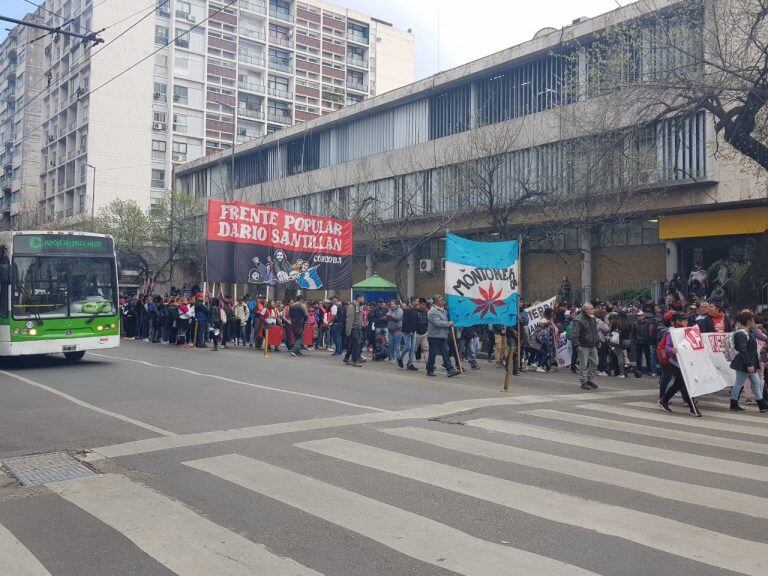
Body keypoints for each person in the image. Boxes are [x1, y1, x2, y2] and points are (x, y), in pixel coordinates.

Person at [658, 312, 701, 416]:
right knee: (684, 383)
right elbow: (668, 346)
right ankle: (692, 408)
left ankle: (664, 401)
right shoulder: (671, 333)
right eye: (684, 320)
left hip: (684, 361)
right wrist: (672, 350)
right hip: (674, 362)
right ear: (678, 321)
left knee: (679, 384)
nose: (687, 322)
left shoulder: (686, 331)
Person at [729, 309, 768, 412]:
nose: (754, 321)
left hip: (749, 363)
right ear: (748, 321)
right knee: (739, 383)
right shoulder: (742, 333)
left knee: (755, 381)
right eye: (752, 319)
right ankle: (733, 403)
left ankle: (761, 404)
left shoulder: (747, 332)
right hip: (745, 363)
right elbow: (743, 350)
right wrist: (749, 364)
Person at [425, 296, 460, 378]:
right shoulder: (433, 311)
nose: (443, 302)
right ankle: (430, 370)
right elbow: (438, 323)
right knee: (433, 354)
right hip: (434, 336)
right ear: (436, 302)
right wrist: (449, 323)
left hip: (443, 335)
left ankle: (450, 370)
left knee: (445, 353)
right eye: (441, 300)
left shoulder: (444, 311)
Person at [571, 303, 599, 390]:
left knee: (595, 362)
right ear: (585, 310)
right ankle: (583, 381)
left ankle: (588, 379)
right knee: (583, 364)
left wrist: (597, 340)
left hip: (592, 344)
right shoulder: (579, 320)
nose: (593, 310)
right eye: (591, 309)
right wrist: (577, 345)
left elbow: (594, 331)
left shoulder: (592, 318)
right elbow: (575, 334)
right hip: (583, 345)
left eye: (592, 308)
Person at [631, 310, 657, 378]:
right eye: (638, 316)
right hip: (639, 341)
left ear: (643, 316)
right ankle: (639, 369)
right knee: (638, 357)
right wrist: (634, 340)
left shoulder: (647, 323)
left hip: (646, 341)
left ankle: (649, 370)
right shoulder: (635, 323)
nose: (638, 317)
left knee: (648, 356)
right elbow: (633, 333)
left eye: (640, 316)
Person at [344, 294, 365, 367]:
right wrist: (348, 331)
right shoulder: (352, 306)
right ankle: (355, 360)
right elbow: (349, 319)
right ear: (358, 298)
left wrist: (362, 325)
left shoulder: (359, 306)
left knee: (353, 344)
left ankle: (346, 358)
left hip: (358, 328)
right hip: (353, 328)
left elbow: (360, 317)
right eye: (362, 298)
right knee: (357, 344)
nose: (363, 300)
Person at [400, 298, 419, 370]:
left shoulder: (415, 310)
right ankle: (400, 357)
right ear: (412, 302)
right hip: (407, 331)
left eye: (418, 301)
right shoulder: (407, 310)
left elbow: (415, 321)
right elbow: (405, 322)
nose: (417, 303)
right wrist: (409, 331)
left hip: (413, 331)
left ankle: (410, 363)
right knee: (408, 347)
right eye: (416, 301)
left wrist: (415, 330)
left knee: (412, 348)